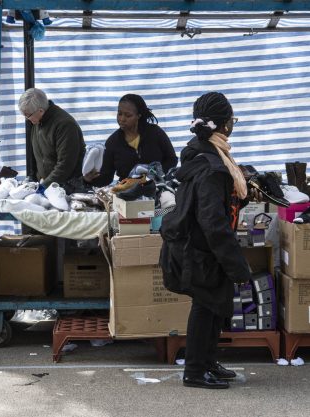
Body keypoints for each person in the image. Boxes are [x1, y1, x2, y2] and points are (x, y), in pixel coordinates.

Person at [176, 92, 252, 389]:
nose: (232, 125)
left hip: (205, 247)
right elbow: (212, 221)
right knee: (206, 306)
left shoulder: (205, 152)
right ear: (224, 125)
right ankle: (195, 371)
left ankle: (207, 362)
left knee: (215, 305)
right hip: (204, 250)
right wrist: (235, 264)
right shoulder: (210, 164)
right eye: (231, 120)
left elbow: (218, 206)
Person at [84, 94, 177, 186]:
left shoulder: (155, 133)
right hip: (127, 192)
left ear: (139, 115)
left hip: (157, 187)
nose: (122, 119)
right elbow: (106, 177)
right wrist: (89, 179)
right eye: (119, 114)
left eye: (128, 115)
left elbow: (172, 159)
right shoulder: (112, 142)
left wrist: (155, 176)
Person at [18, 88, 86, 191]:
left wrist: (44, 186)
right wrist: (33, 179)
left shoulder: (65, 125)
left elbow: (65, 164)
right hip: (46, 185)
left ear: (40, 111)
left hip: (67, 188)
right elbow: (35, 156)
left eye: (28, 115)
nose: (27, 119)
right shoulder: (37, 122)